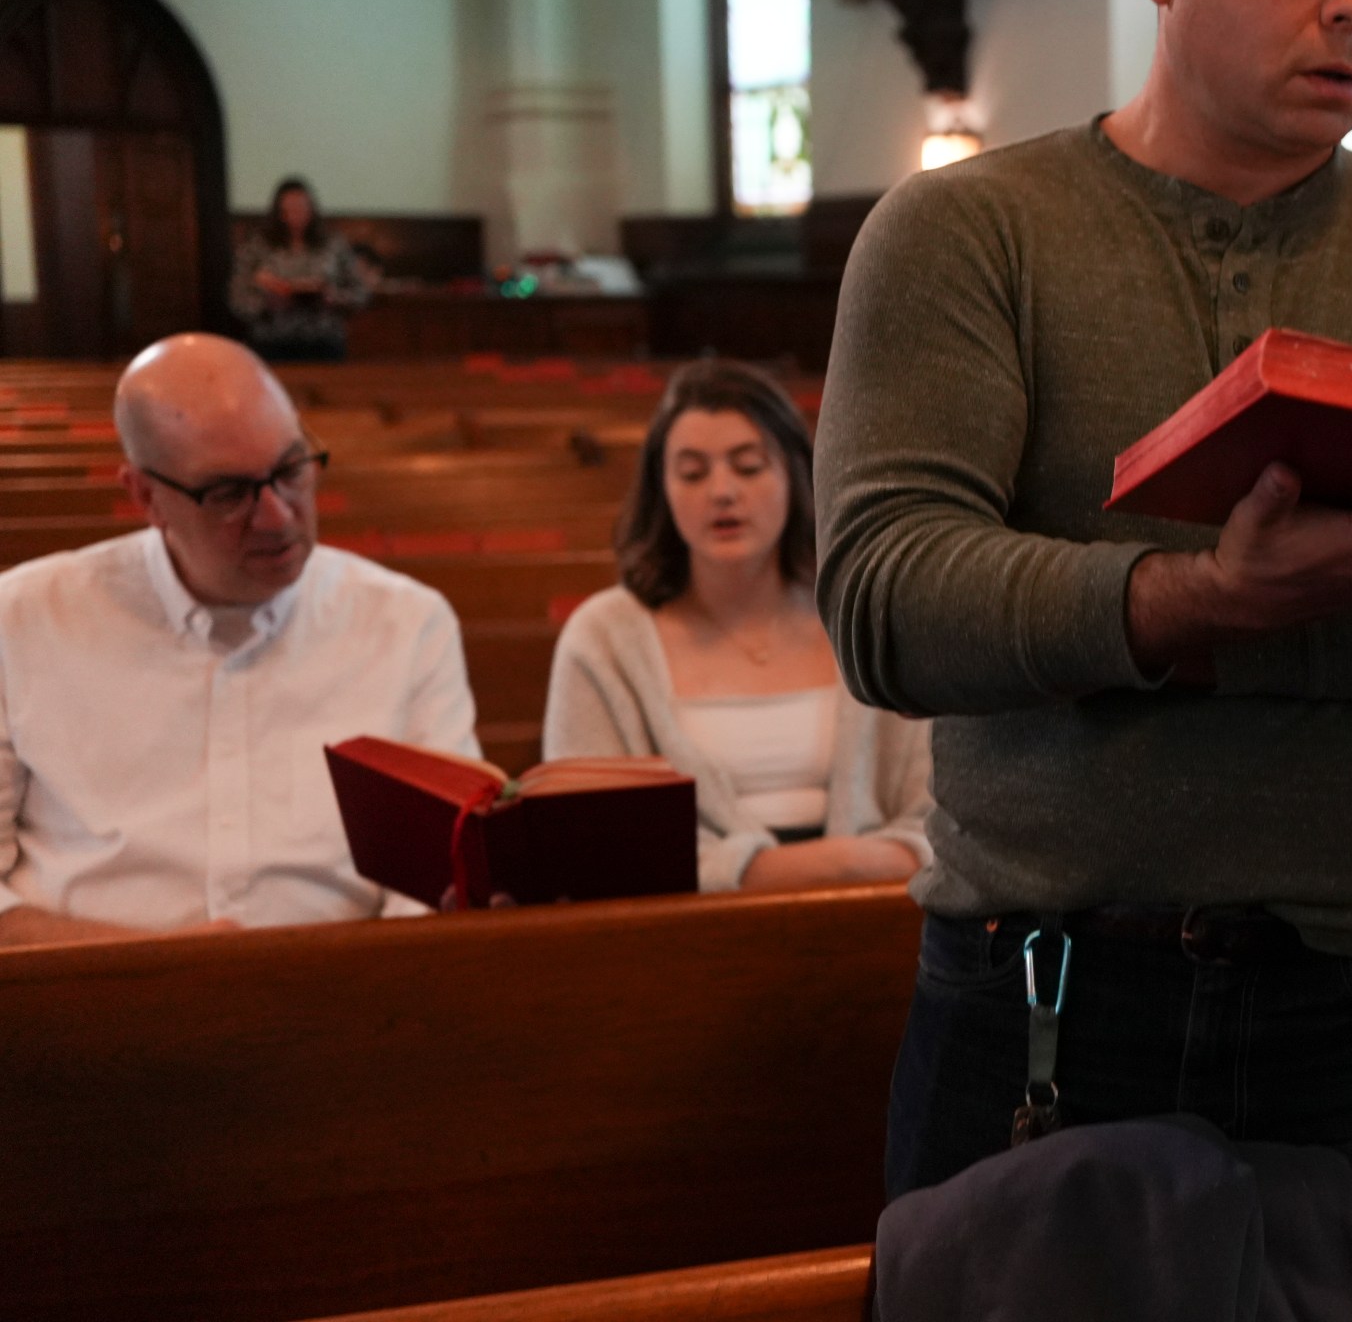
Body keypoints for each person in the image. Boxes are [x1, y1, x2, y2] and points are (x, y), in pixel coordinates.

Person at [819, 0, 1352, 1198]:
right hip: (1041, 971)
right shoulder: (964, 230)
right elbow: (892, 601)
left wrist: (1153, 625)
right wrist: (1196, 598)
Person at [0, 334, 479, 945]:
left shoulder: (408, 622)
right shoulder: (20, 620)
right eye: (228, 493)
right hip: (87, 1000)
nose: (277, 517)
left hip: (341, 1002)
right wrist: (151, 965)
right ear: (147, 497)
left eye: (290, 471)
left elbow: (436, 877)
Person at [544, 360, 931, 894]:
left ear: (796, 475)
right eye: (693, 472)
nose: (722, 491)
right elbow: (589, 846)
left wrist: (877, 866)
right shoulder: (605, 638)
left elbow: (943, 814)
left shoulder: (868, 616)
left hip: (873, 917)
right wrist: (803, 870)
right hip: (680, 936)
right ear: (663, 490)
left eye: (748, 467)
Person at [229, 177, 372, 362]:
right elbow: (237, 296)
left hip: (323, 341)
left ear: (312, 209)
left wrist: (333, 298)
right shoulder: (257, 246)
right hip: (272, 342)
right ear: (279, 212)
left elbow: (360, 293)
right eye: (290, 209)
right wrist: (266, 304)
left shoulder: (333, 244)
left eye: (302, 207)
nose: (297, 214)